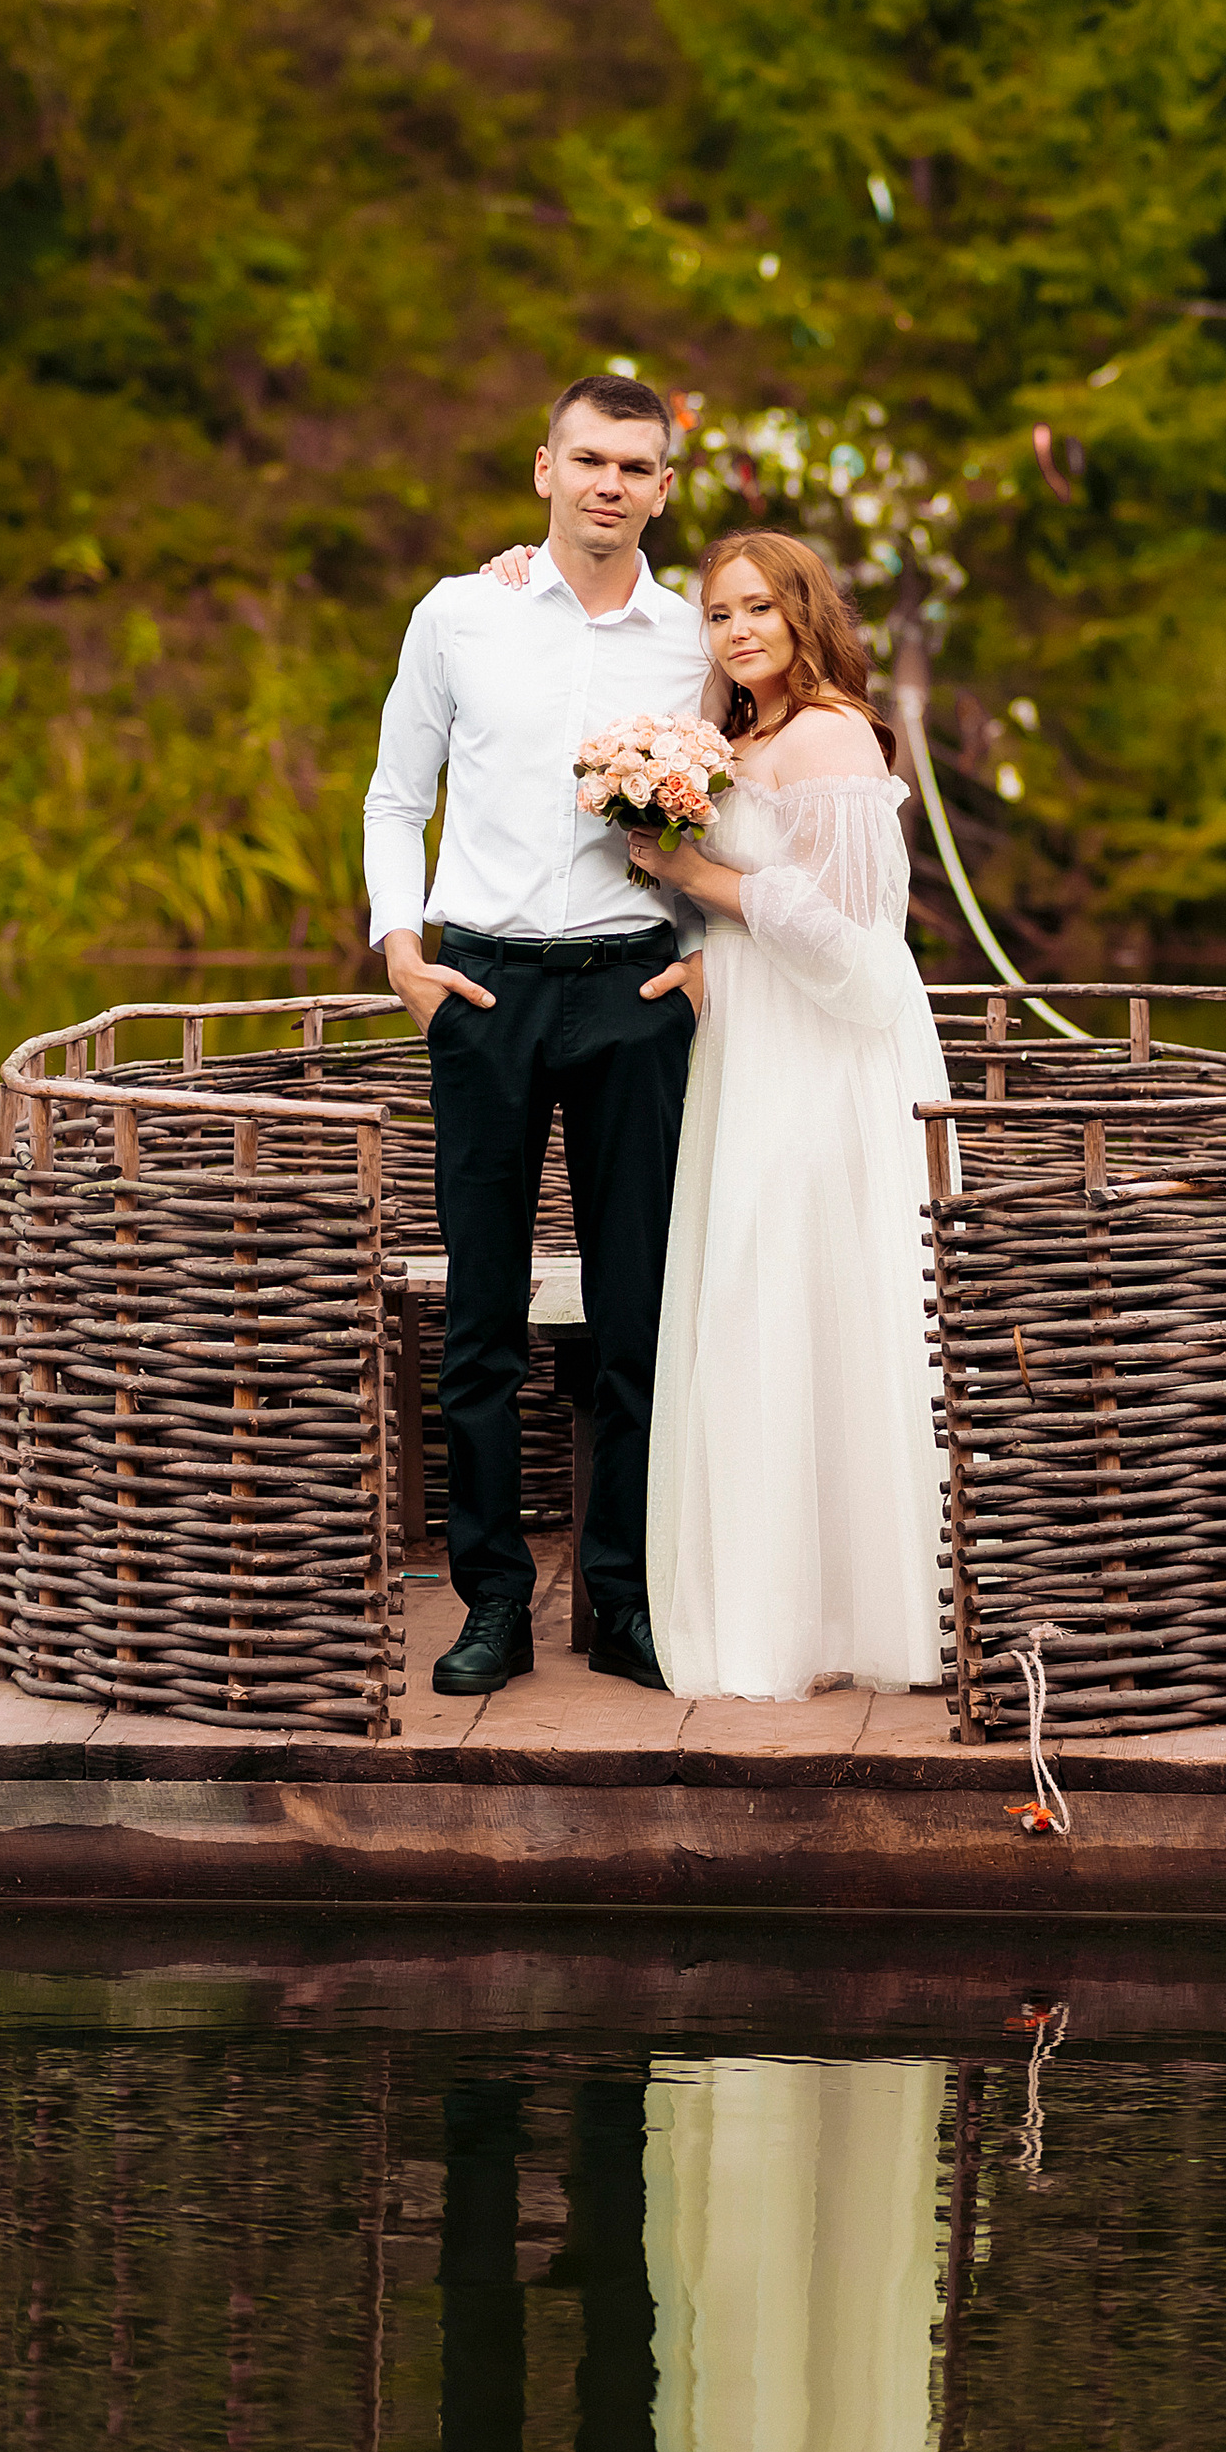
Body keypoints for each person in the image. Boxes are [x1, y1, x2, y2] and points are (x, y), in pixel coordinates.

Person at [483, 524, 948, 1703]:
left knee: (793, 1298)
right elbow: (753, 908)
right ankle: (760, 1600)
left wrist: (698, 880)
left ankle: (832, 1614)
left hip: (816, 1057)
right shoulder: (748, 734)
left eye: (759, 609)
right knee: (742, 1308)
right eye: (720, 613)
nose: (738, 631)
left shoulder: (834, 734)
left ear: (805, 613)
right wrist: (694, 931)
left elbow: (854, 945)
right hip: (744, 1047)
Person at [362, 374, 710, 1698]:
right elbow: (398, 794)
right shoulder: (463, 613)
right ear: (543, 469)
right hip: (487, 991)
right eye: (588, 460)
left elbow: (748, 809)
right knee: (483, 1321)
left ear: (664, 487)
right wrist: (405, 950)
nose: (609, 483)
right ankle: (492, 1602)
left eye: (635, 464)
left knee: (636, 1315)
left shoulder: (694, 640)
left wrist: (697, 959)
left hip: (633, 996)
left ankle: (620, 1603)